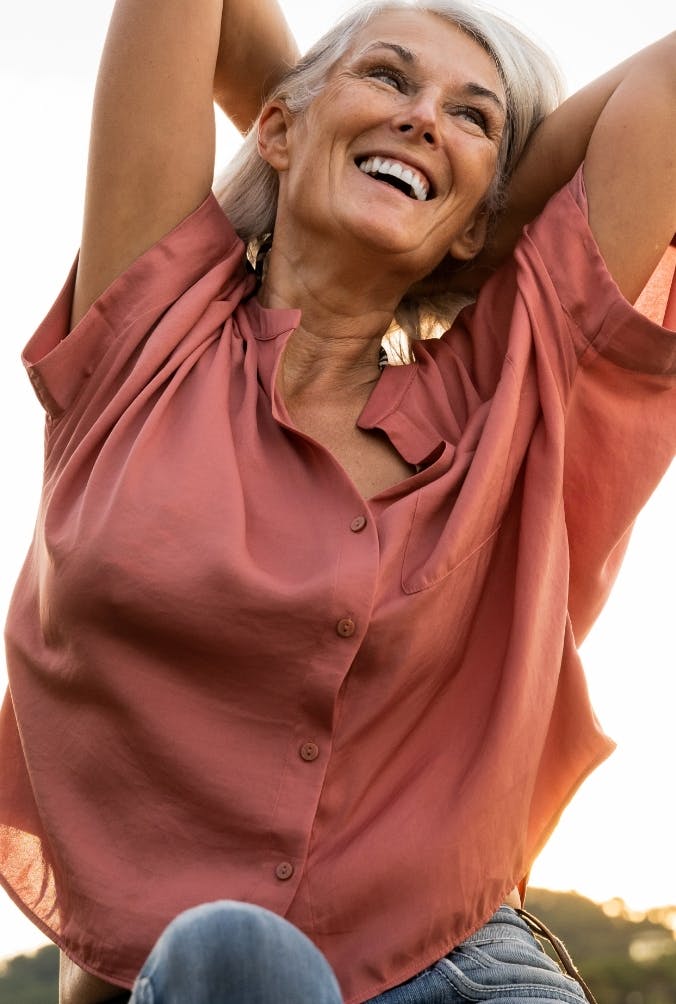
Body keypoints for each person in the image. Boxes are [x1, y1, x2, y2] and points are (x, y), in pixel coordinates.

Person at [1, 0, 674, 1002]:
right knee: (232, 947)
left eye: (473, 114)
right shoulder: (149, 337)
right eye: (391, 77)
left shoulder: (500, 398)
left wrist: (453, 205)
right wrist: (328, 124)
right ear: (271, 127)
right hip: (211, 972)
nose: (424, 116)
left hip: (461, 975)